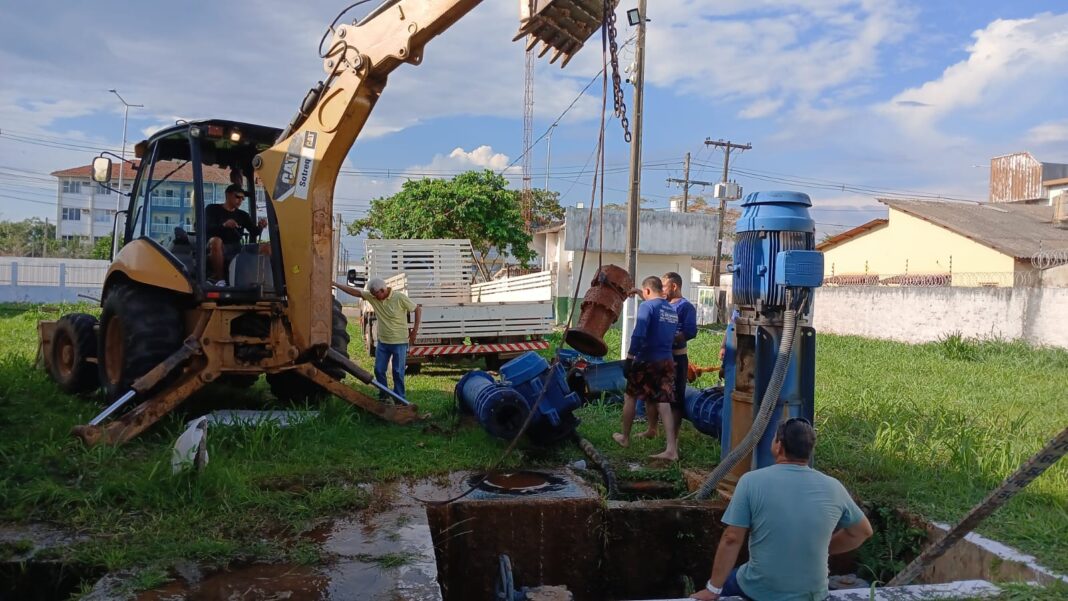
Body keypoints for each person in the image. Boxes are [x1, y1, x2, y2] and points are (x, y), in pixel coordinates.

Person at [690, 418, 873, 601]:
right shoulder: (833, 487)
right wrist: (823, 548)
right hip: (813, 594)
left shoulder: (751, 482)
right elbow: (862, 531)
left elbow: (732, 538)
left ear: (778, 446)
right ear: (809, 451)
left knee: (729, 582)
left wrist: (713, 589)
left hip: (760, 591)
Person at [612, 276, 678, 457]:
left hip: (647, 360)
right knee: (663, 402)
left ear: (647, 291)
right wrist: (639, 292)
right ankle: (671, 449)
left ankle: (625, 438)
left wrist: (630, 358)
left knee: (630, 396)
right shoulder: (671, 310)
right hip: (666, 360)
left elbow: (639, 334)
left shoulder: (646, 306)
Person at [333, 277, 422, 401]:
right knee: (379, 370)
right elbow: (356, 292)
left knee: (397, 372)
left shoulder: (399, 298)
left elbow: (417, 309)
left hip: (399, 342)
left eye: (375, 294)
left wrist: (414, 331)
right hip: (383, 343)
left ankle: (399, 398)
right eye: (372, 295)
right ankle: (384, 396)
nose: (373, 297)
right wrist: (336, 284)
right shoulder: (373, 297)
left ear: (383, 290)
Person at [646, 271, 697, 460]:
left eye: (664, 286)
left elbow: (690, 331)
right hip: (659, 357)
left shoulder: (685, 307)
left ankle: (672, 444)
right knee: (652, 394)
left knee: (674, 400)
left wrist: (668, 338)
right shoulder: (663, 304)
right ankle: (652, 429)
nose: (661, 289)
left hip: (676, 359)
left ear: (674, 286)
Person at [206, 183, 267, 284]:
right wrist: (224, 225)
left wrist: (260, 226)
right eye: (238, 197)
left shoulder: (243, 215)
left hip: (237, 247)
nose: (240, 200)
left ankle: (263, 282)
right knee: (216, 241)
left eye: (243, 198)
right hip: (217, 246)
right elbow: (206, 228)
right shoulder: (212, 209)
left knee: (267, 247)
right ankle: (220, 280)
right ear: (228, 195)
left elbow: (254, 232)